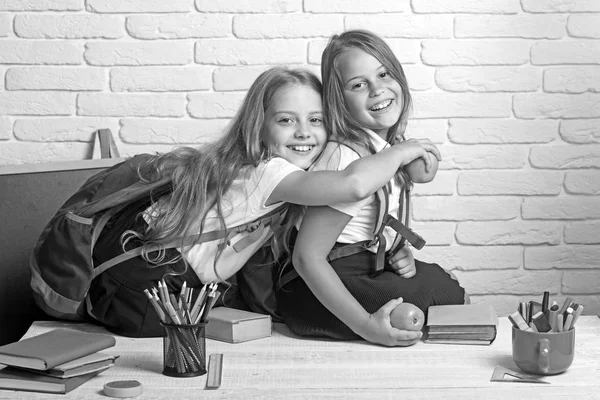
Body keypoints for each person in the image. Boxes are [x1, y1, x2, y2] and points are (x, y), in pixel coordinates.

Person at [87, 67, 441, 337]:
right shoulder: (267, 173)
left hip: (165, 281)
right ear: (259, 127)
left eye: (316, 121)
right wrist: (402, 150)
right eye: (286, 120)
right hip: (144, 286)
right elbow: (352, 185)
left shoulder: (281, 175)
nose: (304, 132)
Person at [276, 30, 468, 347]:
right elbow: (308, 258)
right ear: (338, 100)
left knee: (446, 289)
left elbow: (365, 227)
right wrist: (367, 326)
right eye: (358, 84)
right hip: (315, 284)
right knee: (413, 315)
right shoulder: (348, 158)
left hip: (367, 266)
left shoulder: (382, 150)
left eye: (383, 74)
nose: (377, 89)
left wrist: (394, 249)